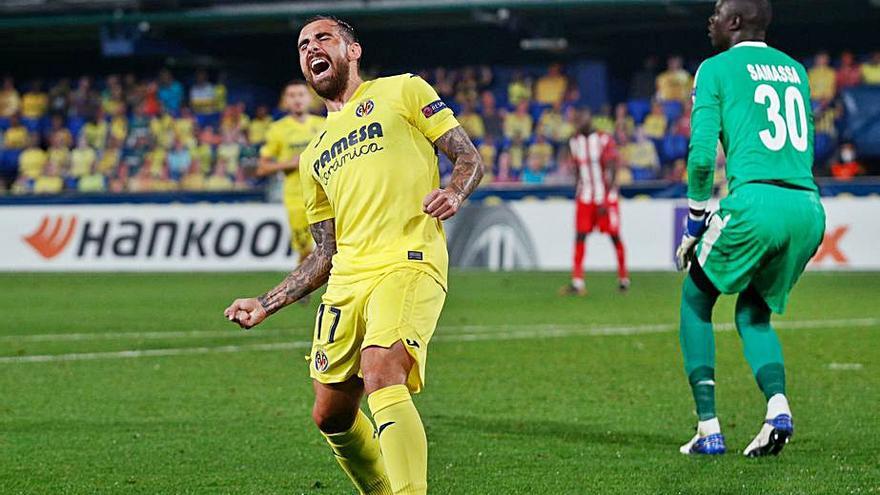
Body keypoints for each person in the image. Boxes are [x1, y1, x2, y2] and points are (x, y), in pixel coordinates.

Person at [223, 16, 482, 495]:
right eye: (302, 44)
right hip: (348, 277)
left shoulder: (402, 90)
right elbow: (325, 252)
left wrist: (455, 192)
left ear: (353, 50)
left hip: (407, 258)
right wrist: (266, 302)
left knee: (382, 370)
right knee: (331, 414)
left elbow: (468, 157)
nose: (311, 48)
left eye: (323, 38)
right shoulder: (313, 153)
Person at [675, 0, 825, 457]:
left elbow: (702, 157)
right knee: (752, 314)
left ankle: (708, 428)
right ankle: (777, 408)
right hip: (806, 206)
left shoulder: (714, 69)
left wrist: (696, 221)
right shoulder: (795, 70)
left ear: (736, 22)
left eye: (718, 12)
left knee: (695, 300)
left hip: (755, 201)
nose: (711, 20)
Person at [256, 81, 325, 263]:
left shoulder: (324, 124)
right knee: (305, 252)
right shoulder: (277, 129)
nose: (297, 100)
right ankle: (303, 290)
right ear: (285, 101)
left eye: (301, 95)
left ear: (309, 98)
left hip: (325, 195)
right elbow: (262, 167)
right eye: (292, 96)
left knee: (336, 247)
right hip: (296, 198)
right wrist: (289, 164)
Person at [560, 115, 629, 296]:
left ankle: (623, 278)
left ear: (588, 122)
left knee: (614, 236)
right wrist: (577, 187)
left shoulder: (603, 139)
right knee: (580, 235)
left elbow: (613, 166)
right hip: (585, 195)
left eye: (579, 121)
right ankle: (577, 282)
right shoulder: (574, 142)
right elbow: (576, 167)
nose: (576, 125)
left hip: (605, 195)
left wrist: (606, 196)